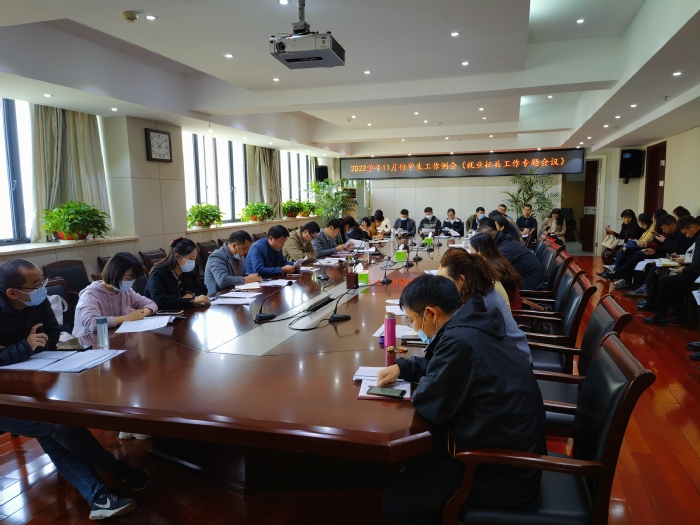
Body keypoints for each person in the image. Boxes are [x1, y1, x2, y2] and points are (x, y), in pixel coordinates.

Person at [378, 275, 545, 524]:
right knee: (415, 462)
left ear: (431, 314)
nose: (414, 328)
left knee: (395, 503)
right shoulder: (472, 323)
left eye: (413, 320)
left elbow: (429, 404)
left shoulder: (460, 341)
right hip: (504, 451)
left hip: (499, 471)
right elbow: (442, 366)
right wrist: (404, 367)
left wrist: (425, 382)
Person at [0, 259, 149, 520]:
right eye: (35, 284)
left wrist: (14, 350)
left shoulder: (36, 300)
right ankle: (111, 472)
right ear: (12, 292)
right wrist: (25, 345)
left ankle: (101, 491)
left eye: (42, 281)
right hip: (6, 399)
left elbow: (53, 334)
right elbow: (34, 344)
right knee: (55, 424)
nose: (42, 288)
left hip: (31, 379)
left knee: (54, 422)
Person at [438, 249, 531, 363]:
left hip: (514, 362)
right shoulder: (484, 292)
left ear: (462, 279)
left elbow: (455, 335)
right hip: (507, 355)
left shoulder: (481, 304)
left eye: (447, 281)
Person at [73, 252, 158, 337]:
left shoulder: (126, 292)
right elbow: (92, 323)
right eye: (128, 278)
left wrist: (140, 314)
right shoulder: (90, 295)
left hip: (115, 336)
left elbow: (152, 304)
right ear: (114, 274)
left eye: (133, 279)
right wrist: (128, 318)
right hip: (90, 341)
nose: (131, 282)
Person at [644, 216, 700, 328]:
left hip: (696, 275)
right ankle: (681, 314)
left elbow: (697, 263)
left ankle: (661, 315)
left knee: (665, 281)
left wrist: (683, 269)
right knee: (669, 280)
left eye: (686, 233)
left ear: (693, 227)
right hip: (694, 271)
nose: (687, 236)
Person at [628, 214, 695, 305]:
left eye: (665, 228)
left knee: (657, 271)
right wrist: (655, 250)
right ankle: (647, 296)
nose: (664, 231)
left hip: (680, 263)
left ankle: (652, 300)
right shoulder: (670, 235)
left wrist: (675, 256)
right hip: (671, 260)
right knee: (650, 267)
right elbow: (665, 248)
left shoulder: (682, 236)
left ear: (672, 224)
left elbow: (683, 253)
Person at [478, 219, 546, 291]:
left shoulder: (504, 250)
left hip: (529, 291)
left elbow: (490, 273)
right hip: (527, 285)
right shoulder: (505, 242)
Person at [145, 237, 210, 309]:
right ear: (177, 257)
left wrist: (190, 294)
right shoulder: (158, 274)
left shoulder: (186, 271)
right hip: (161, 314)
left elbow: (202, 287)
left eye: (194, 259)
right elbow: (160, 301)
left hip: (181, 311)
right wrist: (191, 301)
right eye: (191, 259)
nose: (192, 262)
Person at [469, 232, 524, 308]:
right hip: (510, 307)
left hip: (508, 311)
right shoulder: (499, 261)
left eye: (471, 251)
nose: (470, 255)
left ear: (479, 253)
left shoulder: (490, 270)